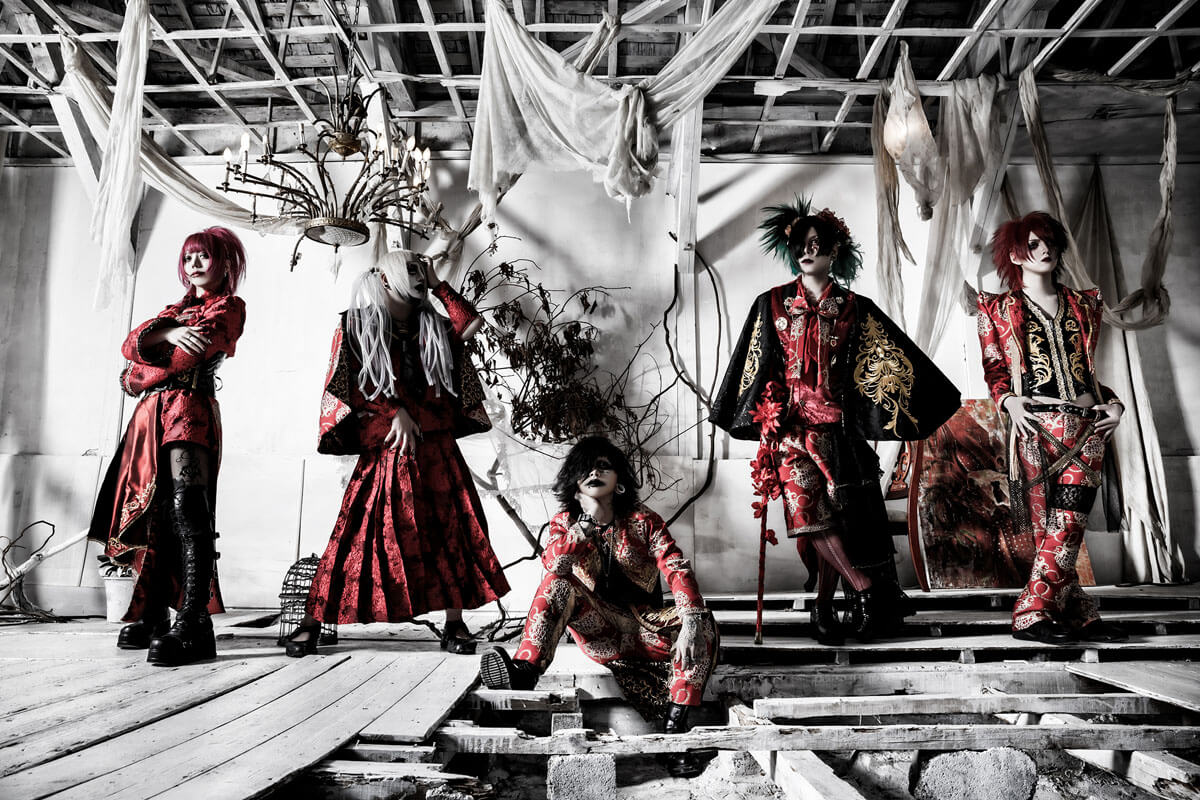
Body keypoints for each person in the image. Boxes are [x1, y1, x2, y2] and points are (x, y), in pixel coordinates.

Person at [712, 198, 960, 643]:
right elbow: (756, 364)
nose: (807, 251)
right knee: (809, 514)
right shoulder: (770, 304)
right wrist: (763, 417)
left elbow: (885, 361)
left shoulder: (855, 308)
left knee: (837, 521)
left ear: (833, 250)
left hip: (839, 432)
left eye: (816, 244)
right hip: (789, 432)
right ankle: (864, 591)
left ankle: (823, 609)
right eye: (801, 245)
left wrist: (912, 405)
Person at [284, 249, 510, 657]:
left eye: (422, 271)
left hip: (437, 446)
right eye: (411, 271)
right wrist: (395, 412)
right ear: (386, 278)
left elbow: (470, 323)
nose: (419, 277)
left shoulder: (436, 325)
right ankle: (312, 622)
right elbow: (350, 383)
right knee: (355, 534)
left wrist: (438, 283)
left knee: (452, 532)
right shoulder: (356, 324)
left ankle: (455, 625)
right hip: (387, 446)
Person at [479, 436, 719, 778]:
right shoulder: (565, 523)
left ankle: (674, 735)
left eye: (604, 466)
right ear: (574, 481)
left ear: (619, 481)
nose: (594, 472)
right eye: (586, 468)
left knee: (703, 621)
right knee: (558, 583)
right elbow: (555, 566)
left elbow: (676, 566)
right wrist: (586, 524)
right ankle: (524, 672)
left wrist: (691, 623)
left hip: (645, 630)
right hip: (600, 632)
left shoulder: (644, 521)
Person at [88, 226, 248, 666]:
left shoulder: (229, 307)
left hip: (189, 411)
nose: (194, 264)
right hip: (152, 417)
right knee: (156, 510)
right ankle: (154, 611)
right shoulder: (174, 311)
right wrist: (170, 333)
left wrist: (144, 365)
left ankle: (195, 621)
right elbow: (129, 346)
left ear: (224, 262)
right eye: (188, 257)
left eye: (204, 256)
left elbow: (179, 360)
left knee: (188, 508)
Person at [977, 211, 1127, 645]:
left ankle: (1031, 611)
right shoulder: (996, 309)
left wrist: (1114, 404)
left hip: (1087, 429)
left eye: (1050, 243)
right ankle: (1078, 611)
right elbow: (995, 370)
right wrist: (1008, 402)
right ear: (1014, 255)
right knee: (1050, 529)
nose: (1044, 250)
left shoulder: (1085, 304)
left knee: (1069, 522)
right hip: (1034, 429)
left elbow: (1088, 374)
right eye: (1033, 244)